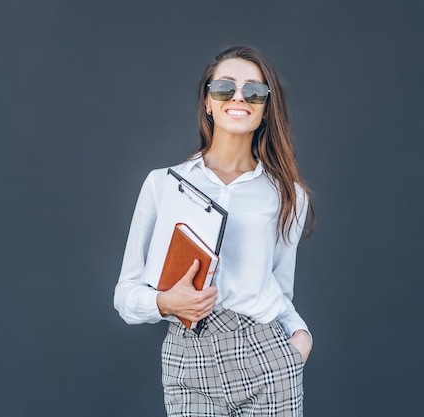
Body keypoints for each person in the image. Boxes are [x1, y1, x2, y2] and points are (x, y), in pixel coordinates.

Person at [114, 45, 315, 417]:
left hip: (264, 353)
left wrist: (300, 340)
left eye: (254, 91)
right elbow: (125, 295)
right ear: (208, 102)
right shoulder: (163, 185)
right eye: (225, 87)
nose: (239, 97)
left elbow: (279, 290)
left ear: (266, 109)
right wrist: (165, 302)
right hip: (187, 358)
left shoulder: (288, 195)